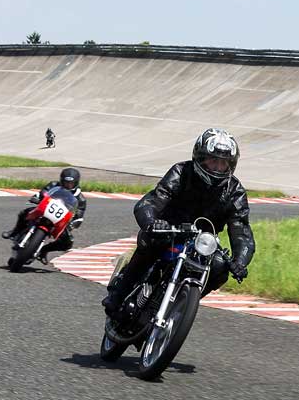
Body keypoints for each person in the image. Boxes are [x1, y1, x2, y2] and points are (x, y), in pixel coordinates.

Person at [102, 128, 255, 316]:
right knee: (152, 241)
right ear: (200, 157)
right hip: (168, 230)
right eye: (213, 160)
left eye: (223, 163)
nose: (217, 168)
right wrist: (152, 222)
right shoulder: (181, 172)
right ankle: (120, 293)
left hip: (202, 243)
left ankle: (182, 307)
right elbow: (152, 200)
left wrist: (240, 261)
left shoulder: (235, 191)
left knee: (219, 267)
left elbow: (241, 229)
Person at [1, 168, 86, 264]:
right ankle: (14, 232)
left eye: (71, 183)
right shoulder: (54, 185)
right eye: (66, 182)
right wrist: (37, 198)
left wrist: (73, 223)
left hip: (60, 221)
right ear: (61, 180)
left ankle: (44, 250)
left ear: (76, 183)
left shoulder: (81, 199)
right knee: (24, 213)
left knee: (67, 243)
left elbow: (79, 215)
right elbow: (43, 192)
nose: (68, 185)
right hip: (44, 210)